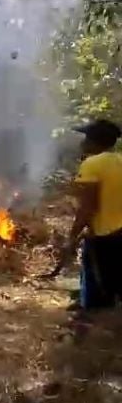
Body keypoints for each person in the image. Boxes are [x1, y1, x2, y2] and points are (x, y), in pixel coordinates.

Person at [63, 119, 122, 311]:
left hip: (105, 237)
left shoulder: (92, 164)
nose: (82, 142)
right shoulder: (119, 160)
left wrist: (72, 237)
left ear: (93, 141)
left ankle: (92, 326)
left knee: (96, 291)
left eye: (85, 137)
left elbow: (88, 207)